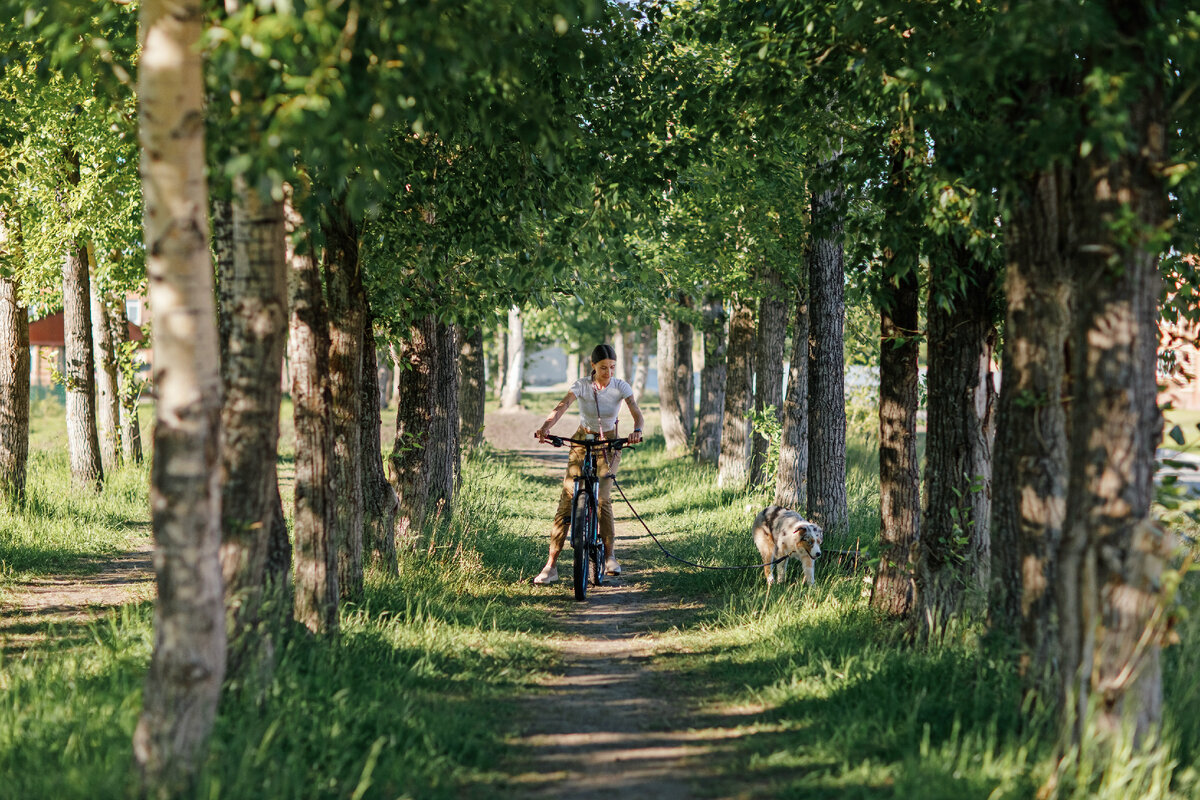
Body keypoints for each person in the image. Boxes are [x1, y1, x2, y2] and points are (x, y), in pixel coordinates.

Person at [532, 343, 645, 584]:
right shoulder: (581, 385)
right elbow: (562, 406)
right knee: (567, 499)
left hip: (610, 443)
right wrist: (546, 427)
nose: (609, 372)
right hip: (582, 438)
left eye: (612, 367)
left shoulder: (620, 386)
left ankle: (610, 556)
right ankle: (551, 566)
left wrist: (637, 430)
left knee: (603, 497)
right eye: (603, 367)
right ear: (592, 365)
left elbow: (636, 411)